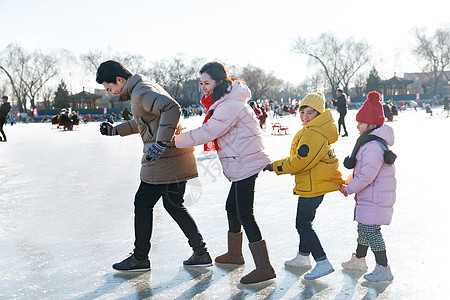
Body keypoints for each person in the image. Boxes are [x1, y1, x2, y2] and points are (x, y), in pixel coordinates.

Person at [96, 60, 211, 272]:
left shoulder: (141, 92)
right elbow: (146, 122)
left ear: (119, 80)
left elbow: (171, 108)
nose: (110, 92)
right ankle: (201, 252)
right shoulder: (142, 88)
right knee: (173, 204)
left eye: (109, 87)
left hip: (164, 159)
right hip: (176, 156)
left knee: (142, 203)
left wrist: (160, 143)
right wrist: (116, 130)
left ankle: (140, 258)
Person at [174, 62, 276, 284]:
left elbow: (209, 131)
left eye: (207, 83)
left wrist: (174, 141)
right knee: (232, 207)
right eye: (201, 83)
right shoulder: (225, 101)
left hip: (246, 161)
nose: (203, 87)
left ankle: (264, 267)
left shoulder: (230, 105)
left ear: (220, 82)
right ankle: (235, 254)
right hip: (241, 159)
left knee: (245, 213)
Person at [263, 92, 344, 280]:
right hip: (313, 184)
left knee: (303, 224)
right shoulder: (315, 130)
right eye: (302, 113)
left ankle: (322, 261)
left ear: (319, 114)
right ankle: (303, 257)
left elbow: (302, 161)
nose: (305, 117)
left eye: (310, 113)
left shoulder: (313, 134)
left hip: (313, 186)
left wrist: (275, 166)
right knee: (305, 222)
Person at [340, 91, 396, 282]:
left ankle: (383, 267)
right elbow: (362, 171)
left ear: (371, 124)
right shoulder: (369, 143)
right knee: (364, 229)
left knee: (371, 231)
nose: (357, 126)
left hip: (375, 197)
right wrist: (349, 180)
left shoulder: (372, 146)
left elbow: (367, 176)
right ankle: (359, 259)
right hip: (371, 196)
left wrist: (349, 188)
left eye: (360, 123)